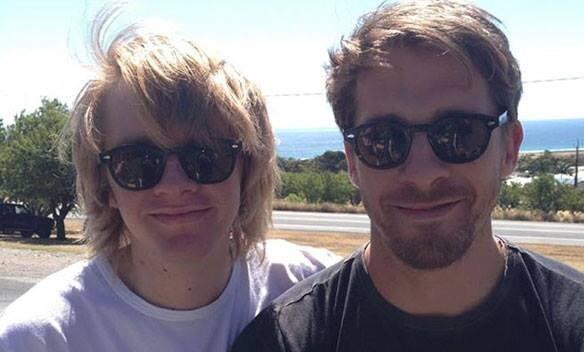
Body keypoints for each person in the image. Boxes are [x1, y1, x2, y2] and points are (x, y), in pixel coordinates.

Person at [231, 1, 584, 351]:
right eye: (383, 140)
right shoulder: (284, 341)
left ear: (509, 149)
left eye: (459, 133)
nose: (422, 174)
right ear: (352, 160)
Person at [0, 8, 338, 352]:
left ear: (247, 168)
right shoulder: (37, 339)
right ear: (105, 185)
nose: (174, 186)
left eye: (206, 156)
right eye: (137, 163)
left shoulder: (321, 294)